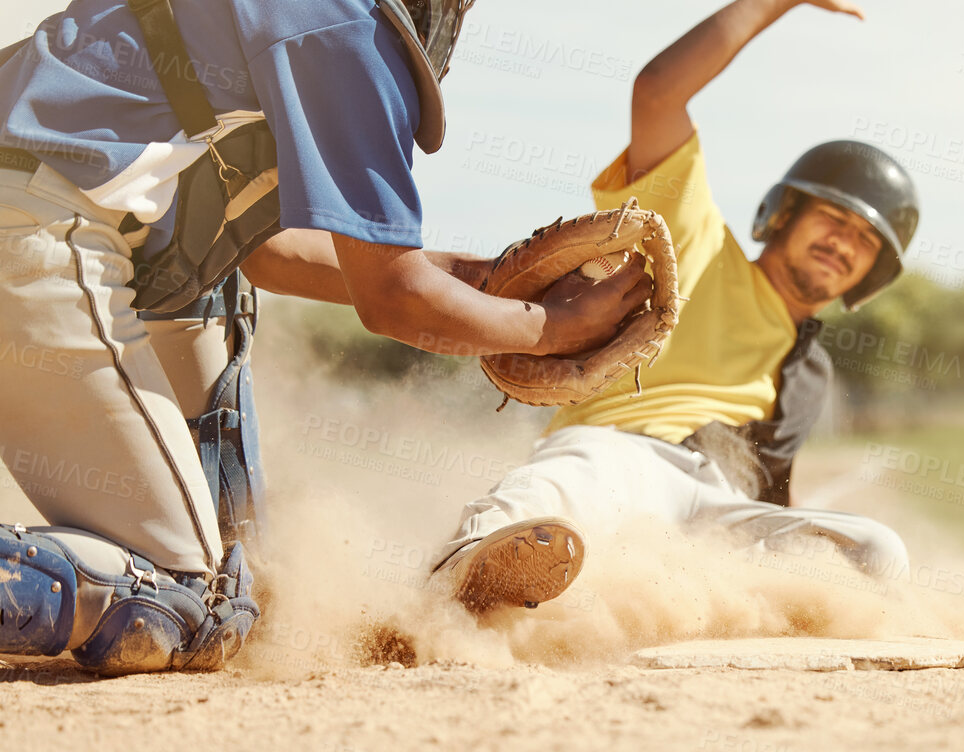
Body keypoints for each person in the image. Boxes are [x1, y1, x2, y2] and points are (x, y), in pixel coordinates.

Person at [0, 0, 645, 673]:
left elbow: (271, 252)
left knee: (248, 584)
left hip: (65, 221)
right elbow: (393, 299)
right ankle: (169, 572)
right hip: (36, 225)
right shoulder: (347, 27)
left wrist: (484, 281)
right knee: (184, 603)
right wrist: (547, 330)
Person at [431, 0, 923, 614]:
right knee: (575, 479)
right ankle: (461, 578)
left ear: (871, 272)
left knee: (876, 551)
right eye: (834, 219)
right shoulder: (697, 244)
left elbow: (771, 500)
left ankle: (693, 608)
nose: (842, 243)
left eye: (865, 240)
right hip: (627, 454)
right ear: (784, 214)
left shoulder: (810, 372)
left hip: (716, 513)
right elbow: (658, 94)